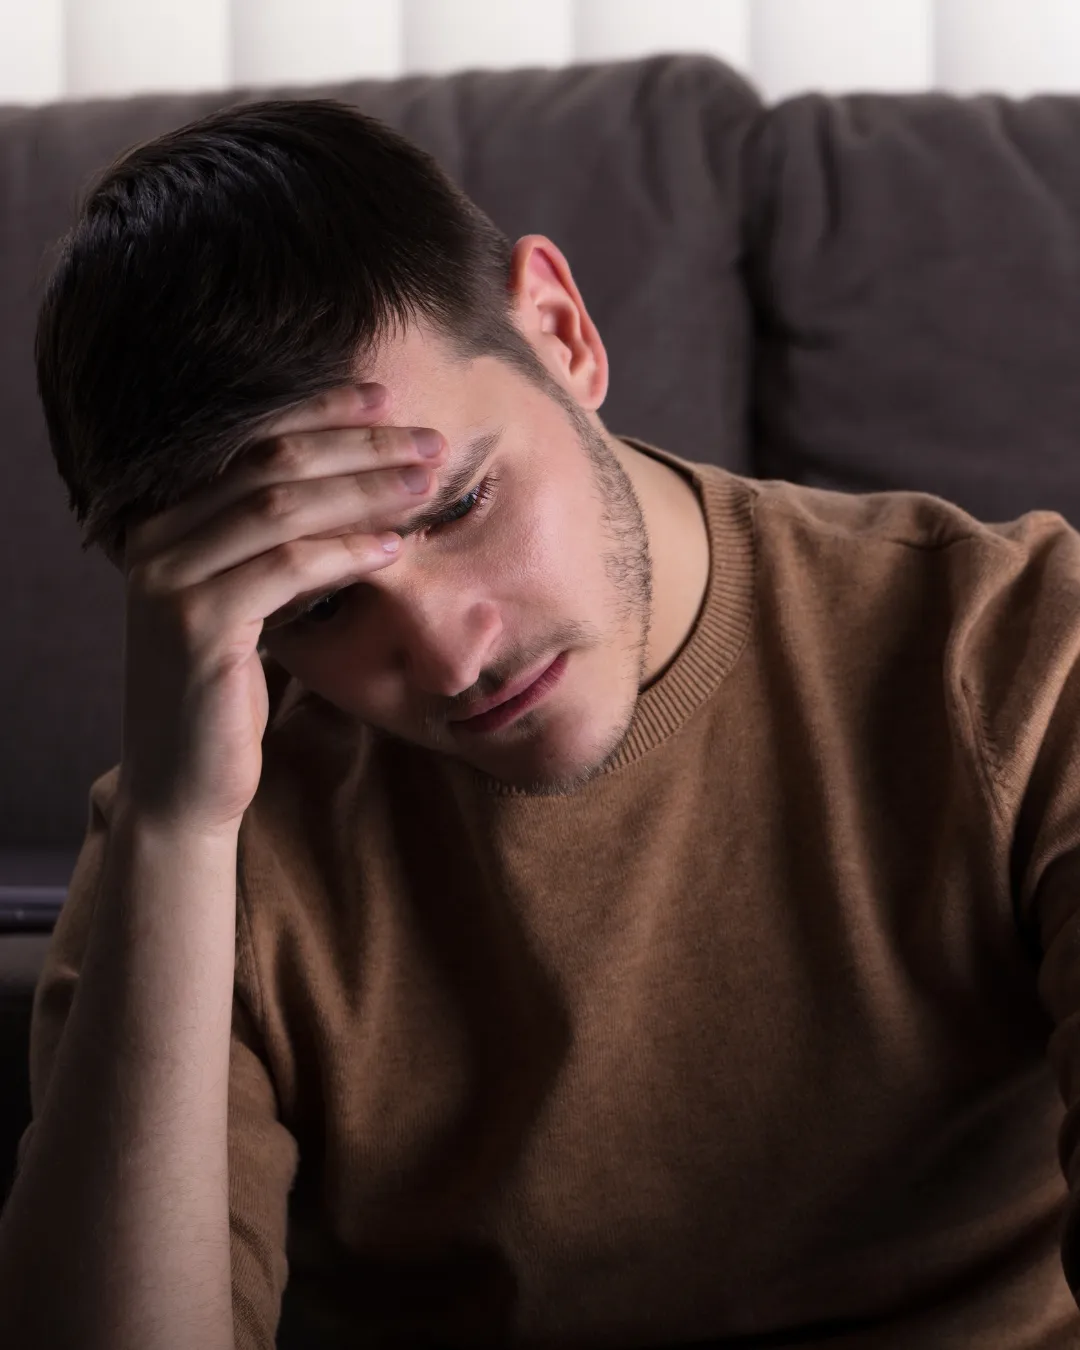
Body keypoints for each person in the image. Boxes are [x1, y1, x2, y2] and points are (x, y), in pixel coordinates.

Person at [0, 96, 1078, 1350]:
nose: (449, 653)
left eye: (458, 504)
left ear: (561, 335)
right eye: (319, 605)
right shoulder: (195, 833)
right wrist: (179, 831)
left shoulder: (1014, 648)